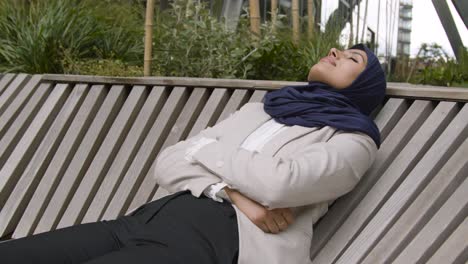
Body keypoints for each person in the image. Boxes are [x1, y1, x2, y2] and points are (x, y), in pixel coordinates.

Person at [0, 43, 386, 264]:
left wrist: (205, 149)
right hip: (143, 221)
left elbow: (280, 184)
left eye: (353, 58)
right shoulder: (264, 108)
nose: (336, 51)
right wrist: (233, 193)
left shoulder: (353, 142)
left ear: (363, 87)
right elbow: (167, 162)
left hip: (210, 244)